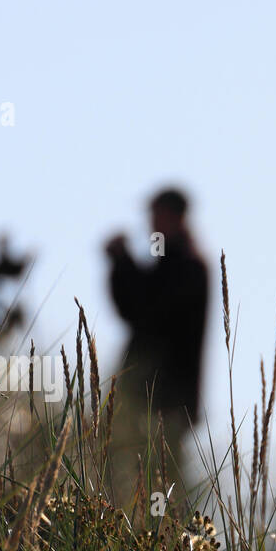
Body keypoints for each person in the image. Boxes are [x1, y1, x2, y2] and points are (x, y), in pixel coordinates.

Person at [104, 186, 208, 492]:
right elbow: (134, 308)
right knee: (141, 488)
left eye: (156, 215)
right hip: (148, 402)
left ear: (176, 218)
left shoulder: (188, 267)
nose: (150, 224)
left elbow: (145, 311)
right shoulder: (173, 265)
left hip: (164, 406)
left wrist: (122, 262)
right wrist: (120, 264)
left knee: (162, 489)